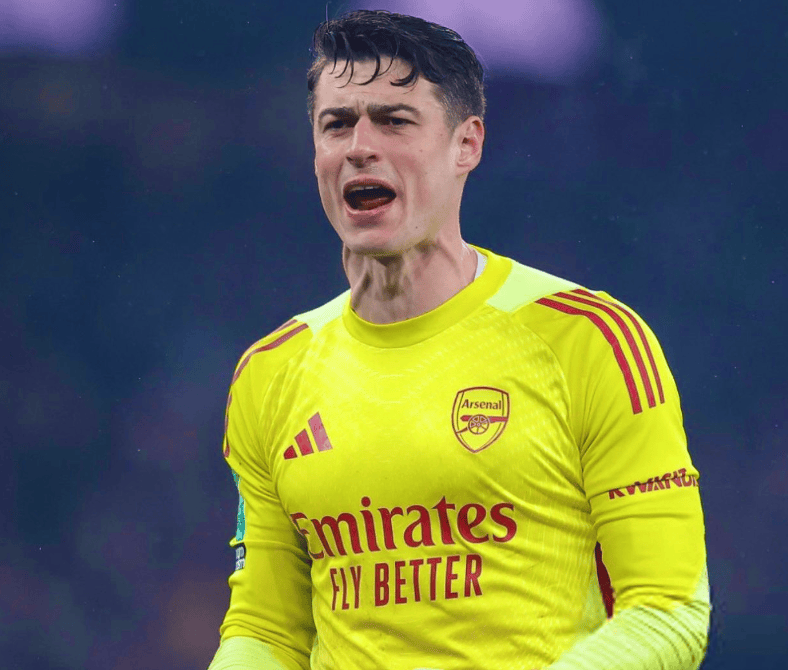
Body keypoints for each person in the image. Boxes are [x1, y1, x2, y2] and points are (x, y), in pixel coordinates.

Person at [207, 10, 710, 670]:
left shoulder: (590, 340)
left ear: (465, 144)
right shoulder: (270, 372)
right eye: (337, 124)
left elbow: (670, 610)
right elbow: (266, 630)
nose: (360, 146)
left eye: (394, 120)